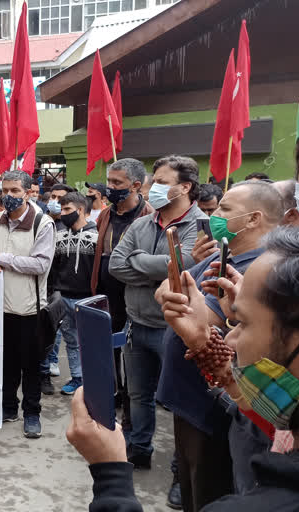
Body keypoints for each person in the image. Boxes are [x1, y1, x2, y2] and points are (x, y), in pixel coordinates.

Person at [69, 227, 299, 512]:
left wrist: (110, 475)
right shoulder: (291, 417)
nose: (229, 337)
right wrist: (204, 340)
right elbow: (263, 412)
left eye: (242, 322)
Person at [154, 181, 282, 511]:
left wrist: (203, 330)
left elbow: (201, 322)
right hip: (196, 397)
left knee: (212, 489)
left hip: (219, 407)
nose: (213, 217)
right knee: (192, 483)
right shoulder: (221, 255)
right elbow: (166, 293)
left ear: (254, 219)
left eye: (224, 210)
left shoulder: (265, 268)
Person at [109, 155, 208, 470]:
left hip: (178, 330)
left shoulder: (202, 225)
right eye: (154, 181)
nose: (152, 188)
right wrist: (166, 267)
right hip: (137, 326)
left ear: (185, 187)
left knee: (182, 403)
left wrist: (139, 261)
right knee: (138, 397)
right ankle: (139, 450)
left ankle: (182, 471)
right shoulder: (142, 223)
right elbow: (115, 265)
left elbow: (191, 269)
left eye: (162, 182)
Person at [0, 170, 56, 439]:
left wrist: (3, 259)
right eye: (5, 191)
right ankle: (8, 408)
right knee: (6, 363)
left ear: (27, 192)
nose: (9, 196)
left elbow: (40, 264)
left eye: (15, 191)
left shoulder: (42, 224)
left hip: (29, 309)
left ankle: (32, 413)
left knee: (31, 366)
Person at [89, 158, 154, 436]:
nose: (110, 188)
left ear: (136, 186)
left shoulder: (149, 216)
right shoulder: (105, 215)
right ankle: (111, 402)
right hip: (105, 296)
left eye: (117, 183)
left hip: (134, 299)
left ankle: (131, 417)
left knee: (133, 362)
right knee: (107, 354)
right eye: (109, 181)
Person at [42, 192, 98, 397]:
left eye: (67, 209)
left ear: (81, 210)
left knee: (90, 343)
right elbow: (52, 268)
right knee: (71, 340)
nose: (63, 213)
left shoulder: (97, 236)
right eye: (62, 209)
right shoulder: (58, 235)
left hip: (88, 298)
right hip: (63, 297)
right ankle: (77, 378)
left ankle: (93, 381)